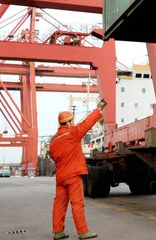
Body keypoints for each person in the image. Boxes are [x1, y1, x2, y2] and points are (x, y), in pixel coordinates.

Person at [50, 99, 107, 240]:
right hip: (73, 175)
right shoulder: (72, 133)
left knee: (59, 205)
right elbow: (86, 124)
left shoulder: (53, 142)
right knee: (77, 204)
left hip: (60, 177)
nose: (73, 124)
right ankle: (83, 232)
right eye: (72, 122)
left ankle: (58, 232)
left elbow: (55, 158)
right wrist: (98, 109)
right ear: (68, 122)